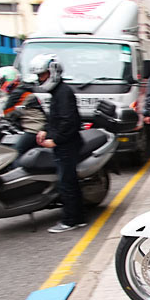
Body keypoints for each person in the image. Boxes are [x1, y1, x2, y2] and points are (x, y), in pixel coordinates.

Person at [33, 54, 86, 233]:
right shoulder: (57, 92)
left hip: (67, 146)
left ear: (53, 72)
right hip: (65, 144)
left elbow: (68, 122)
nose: (40, 79)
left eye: (43, 75)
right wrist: (45, 130)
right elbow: (55, 119)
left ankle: (70, 220)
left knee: (66, 184)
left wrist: (54, 141)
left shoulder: (63, 93)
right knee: (69, 182)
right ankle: (78, 218)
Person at [0, 67, 46, 161]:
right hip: (27, 126)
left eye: (1, 83)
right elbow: (15, 110)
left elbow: (5, 112)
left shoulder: (19, 92)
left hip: (34, 128)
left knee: (13, 154)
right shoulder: (19, 90)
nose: (0, 86)